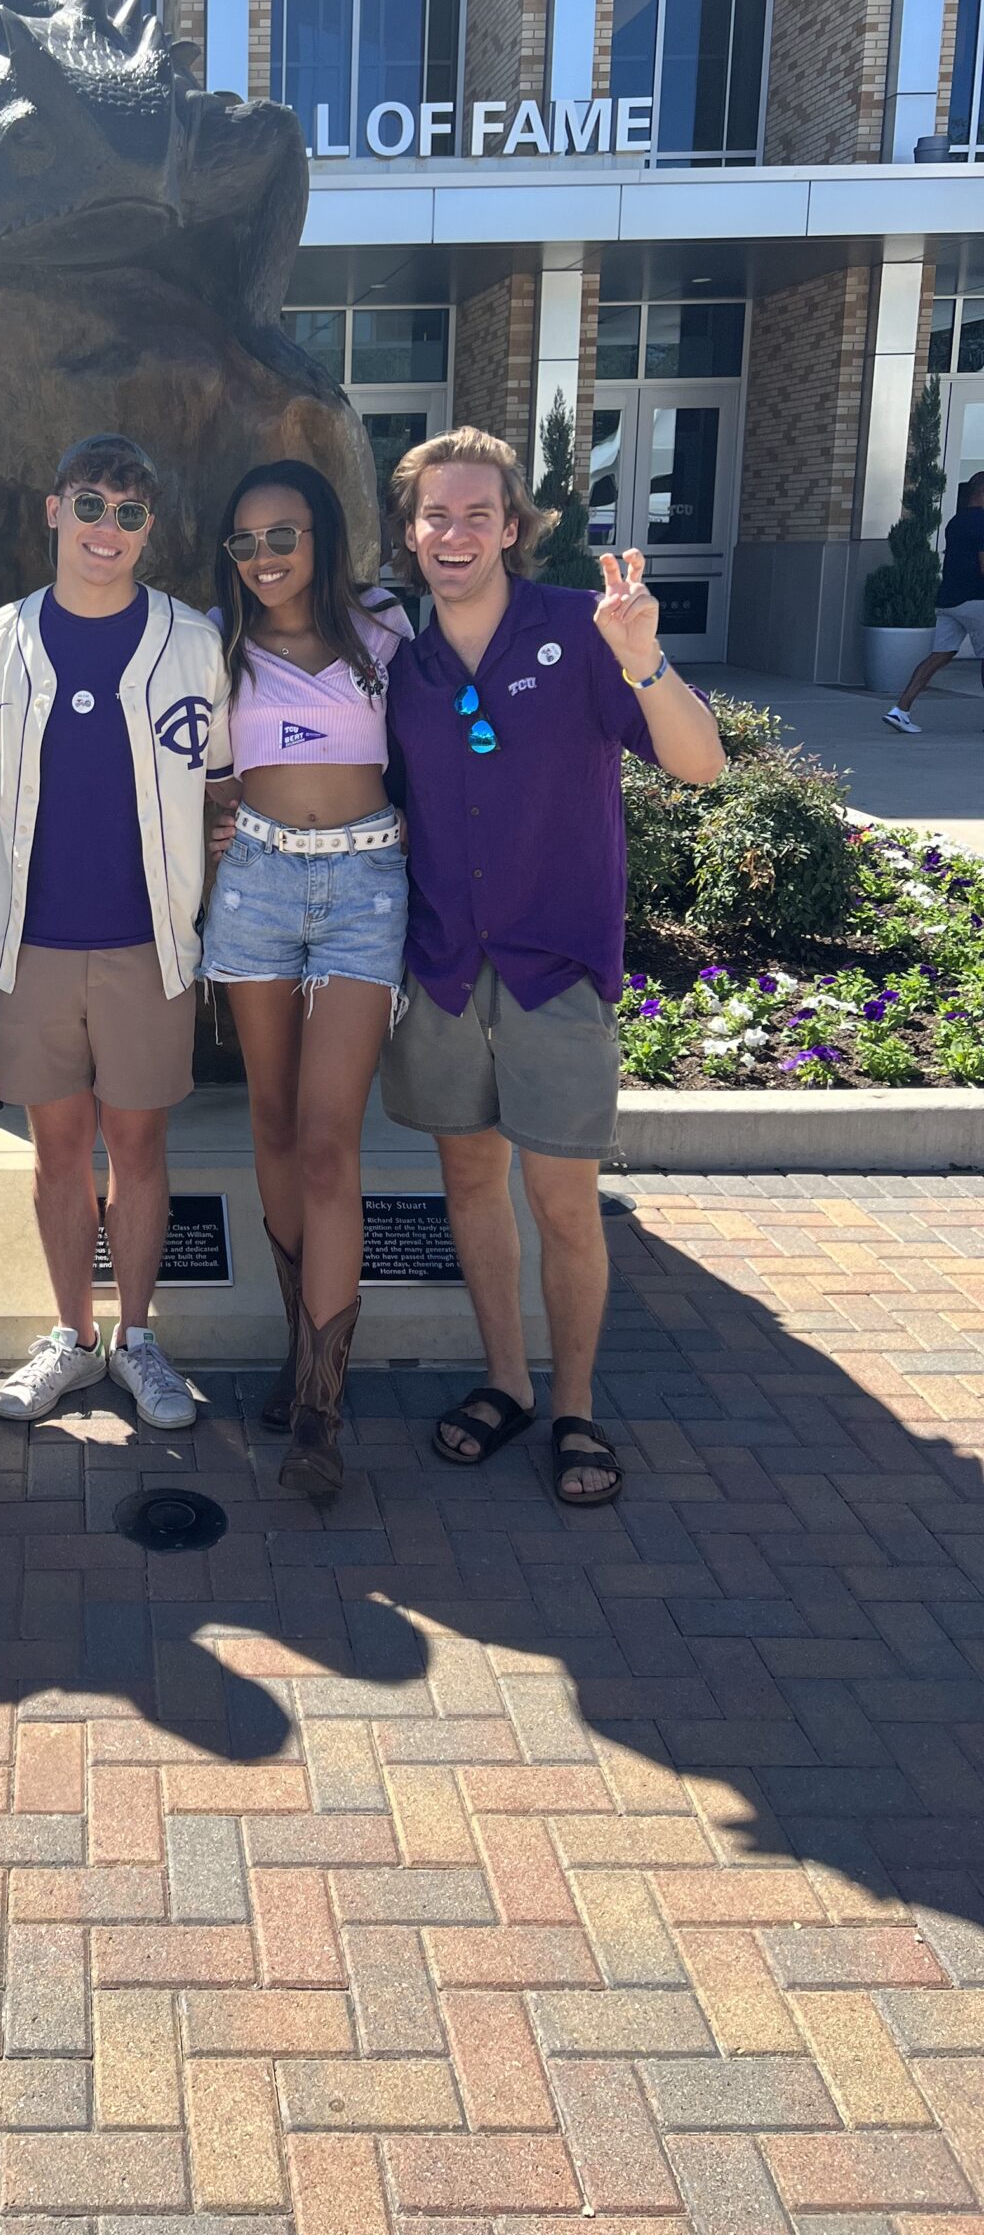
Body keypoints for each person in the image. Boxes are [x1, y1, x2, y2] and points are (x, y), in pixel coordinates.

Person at [381, 426, 725, 1509]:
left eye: (478, 514)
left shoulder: (583, 632)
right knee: (471, 1183)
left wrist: (646, 662)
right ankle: (504, 1382)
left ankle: (574, 1403)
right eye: (437, 514)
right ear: (410, 531)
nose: (456, 532)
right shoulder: (402, 660)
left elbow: (702, 765)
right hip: (441, 967)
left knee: (563, 1200)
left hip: (555, 966)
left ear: (513, 529)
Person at [0, 433, 232, 1433]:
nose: (105, 530)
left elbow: (221, 779)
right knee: (56, 1152)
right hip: (30, 944)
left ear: (148, 529)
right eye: (90, 506)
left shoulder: (190, 642)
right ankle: (72, 1337)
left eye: (127, 513)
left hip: (147, 943)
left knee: (141, 1146)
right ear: (53, 510)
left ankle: (138, 1338)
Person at [201, 461, 411, 1497]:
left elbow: (445, 744)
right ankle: (299, 1347)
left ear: (321, 537)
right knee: (272, 1125)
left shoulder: (383, 630)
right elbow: (184, 769)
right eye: (244, 542)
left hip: (366, 888)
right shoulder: (214, 643)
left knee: (331, 1143)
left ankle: (322, 1407)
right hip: (256, 888)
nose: (264, 558)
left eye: (282, 535)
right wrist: (206, 823)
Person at [884, 472, 984, 731]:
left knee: (939, 655)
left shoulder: (955, 522)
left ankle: (901, 709)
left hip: (948, 600)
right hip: (976, 599)